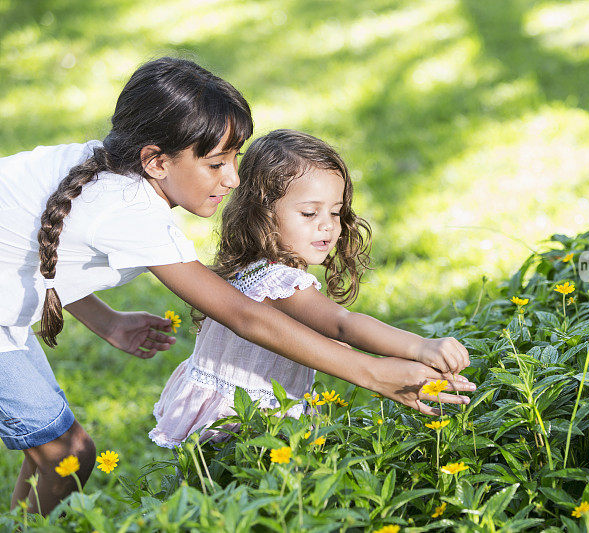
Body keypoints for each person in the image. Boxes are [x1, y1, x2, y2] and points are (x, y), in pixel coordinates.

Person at [0, 58, 475, 515]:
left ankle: (21, 520)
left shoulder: (103, 170)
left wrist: (106, 321)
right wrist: (374, 375)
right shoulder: (126, 209)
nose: (233, 178)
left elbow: (37, 247)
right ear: (156, 161)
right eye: (215, 164)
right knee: (71, 457)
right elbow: (245, 314)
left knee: (52, 452)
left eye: (235, 159)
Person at [149, 129, 471, 448]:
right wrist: (420, 347)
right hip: (248, 429)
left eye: (335, 212)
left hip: (216, 417)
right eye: (309, 212)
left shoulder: (245, 270)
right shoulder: (281, 284)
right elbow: (343, 324)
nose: (328, 225)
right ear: (262, 213)